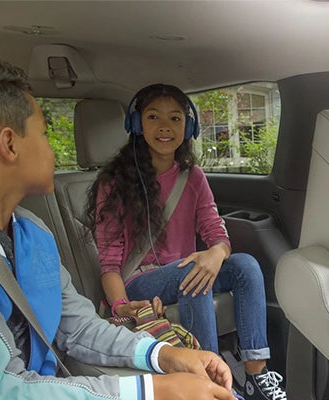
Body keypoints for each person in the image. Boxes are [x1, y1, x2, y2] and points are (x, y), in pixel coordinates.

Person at [0, 41, 235, 400]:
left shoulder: (31, 231)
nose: (51, 149)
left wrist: (166, 354)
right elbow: (2, 387)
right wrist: (154, 390)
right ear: (10, 145)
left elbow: (79, 329)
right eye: (44, 133)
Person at [85, 84, 286, 400]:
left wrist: (216, 252)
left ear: (188, 127)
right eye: (153, 117)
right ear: (137, 124)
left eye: (175, 118)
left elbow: (216, 232)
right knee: (193, 272)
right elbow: (110, 262)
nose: (165, 126)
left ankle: (255, 377)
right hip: (138, 283)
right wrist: (122, 306)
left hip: (183, 271)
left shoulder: (193, 177)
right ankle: (208, 380)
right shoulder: (114, 182)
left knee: (245, 265)